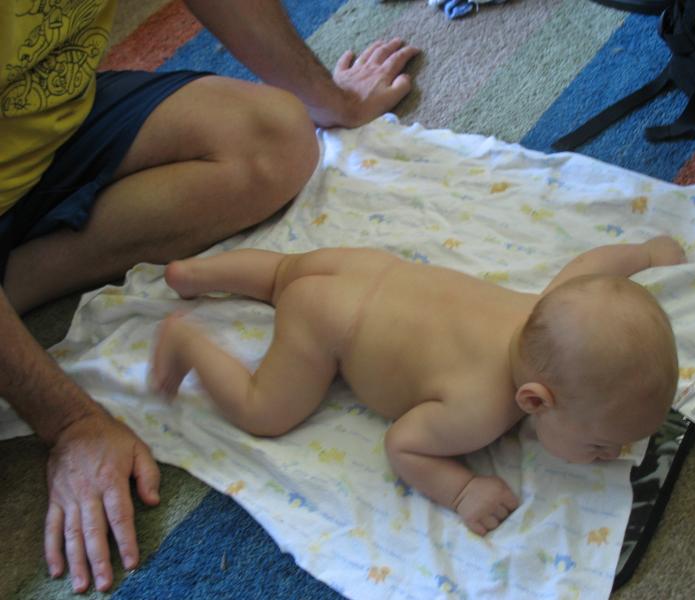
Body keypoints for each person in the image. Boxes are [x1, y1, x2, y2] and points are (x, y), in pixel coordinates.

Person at [0, 0, 419, 593]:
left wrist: (334, 102)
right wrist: (71, 423)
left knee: (279, 138)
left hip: (51, 131)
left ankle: (15, 284)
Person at [150, 235, 686, 536]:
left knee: (283, 273)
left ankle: (193, 273)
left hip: (362, 267)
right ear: (534, 401)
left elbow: (594, 266)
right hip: (328, 323)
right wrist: (462, 489)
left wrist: (645, 254)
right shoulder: (479, 412)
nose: (613, 453)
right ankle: (187, 342)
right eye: (600, 444)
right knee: (263, 411)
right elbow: (402, 443)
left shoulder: (553, 305)